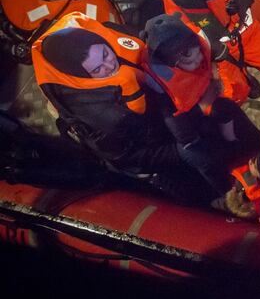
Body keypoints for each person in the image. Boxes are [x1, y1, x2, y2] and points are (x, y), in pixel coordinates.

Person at [30, 11, 223, 205]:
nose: (110, 65)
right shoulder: (98, 117)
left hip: (167, 122)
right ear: (83, 76)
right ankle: (217, 199)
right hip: (151, 156)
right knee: (196, 181)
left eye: (105, 53)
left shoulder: (114, 45)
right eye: (97, 69)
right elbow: (125, 156)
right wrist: (179, 151)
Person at [139, 13, 260, 196]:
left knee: (228, 109)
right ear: (172, 62)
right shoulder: (161, 86)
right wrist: (204, 105)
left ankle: (259, 148)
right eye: (188, 57)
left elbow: (214, 57)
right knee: (199, 156)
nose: (199, 58)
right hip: (189, 132)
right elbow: (183, 134)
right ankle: (227, 193)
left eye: (197, 50)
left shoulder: (198, 47)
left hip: (211, 107)